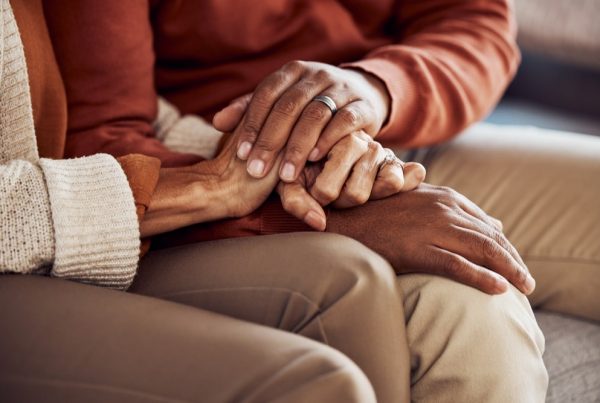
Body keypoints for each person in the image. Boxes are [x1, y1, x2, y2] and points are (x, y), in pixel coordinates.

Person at [2, 0, 553, 402]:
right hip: (206, 157)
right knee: (468, 303)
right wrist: (255, 188)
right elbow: (109, 126)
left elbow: (474, 20)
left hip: (366, 130)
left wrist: (375, 90)